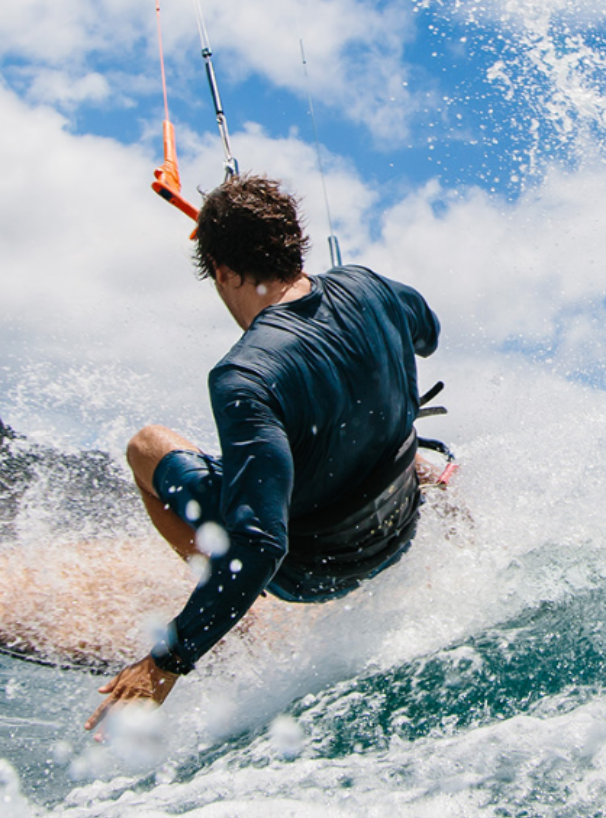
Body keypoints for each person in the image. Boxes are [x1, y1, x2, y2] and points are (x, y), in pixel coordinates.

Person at [85, 174, 441, 734]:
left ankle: (231, 604)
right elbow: (428, 334)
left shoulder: (246, 375)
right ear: (291, 245)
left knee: (148, 448)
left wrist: (166, 662)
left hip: (311, 573)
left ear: (224, 272)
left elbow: (260, 544)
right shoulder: (368, 286)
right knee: (383, 435)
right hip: (402, 528)